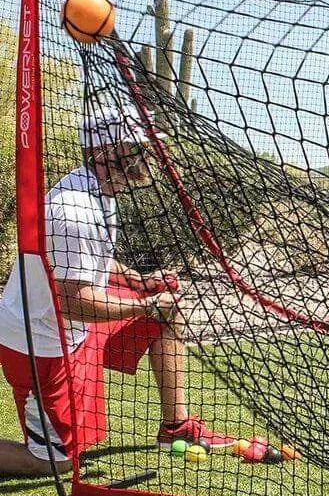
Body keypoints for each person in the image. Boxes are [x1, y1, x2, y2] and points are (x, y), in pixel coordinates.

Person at [0, 111, 233, 476]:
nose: (150, 153)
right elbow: (73, 303)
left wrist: (139, 282)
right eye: (138, 146)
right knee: (54, 462)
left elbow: (96, 260)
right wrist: (146, 304)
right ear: (107, 153)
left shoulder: (101, 192)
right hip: (41, 344)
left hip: (68, 322)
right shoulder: (73, 210)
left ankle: (177, 425)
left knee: (166, 304)